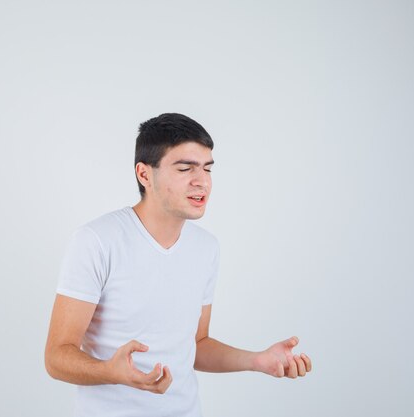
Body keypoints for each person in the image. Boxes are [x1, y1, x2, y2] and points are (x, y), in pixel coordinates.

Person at [44, 113, 312, 417]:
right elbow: (56, 356)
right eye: (185, 168)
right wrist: (111, 371)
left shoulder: (206, 247)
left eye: (207, 169)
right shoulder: (96, 241)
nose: (202, 182)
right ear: (145, 175)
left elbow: (196, 344)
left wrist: (256, 360)